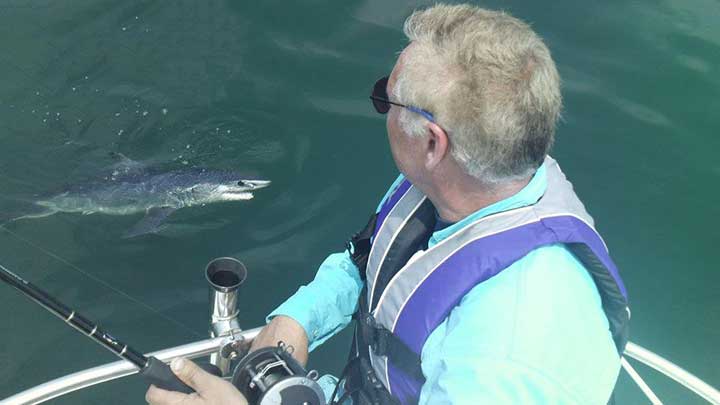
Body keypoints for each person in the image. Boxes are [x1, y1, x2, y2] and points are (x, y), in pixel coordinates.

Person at [147, 4, 629, 405]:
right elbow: (370, 256)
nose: (383, 110)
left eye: (386, 99)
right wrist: (299, 318)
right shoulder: (470, 180)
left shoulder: (506, 356)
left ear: (434, 144)